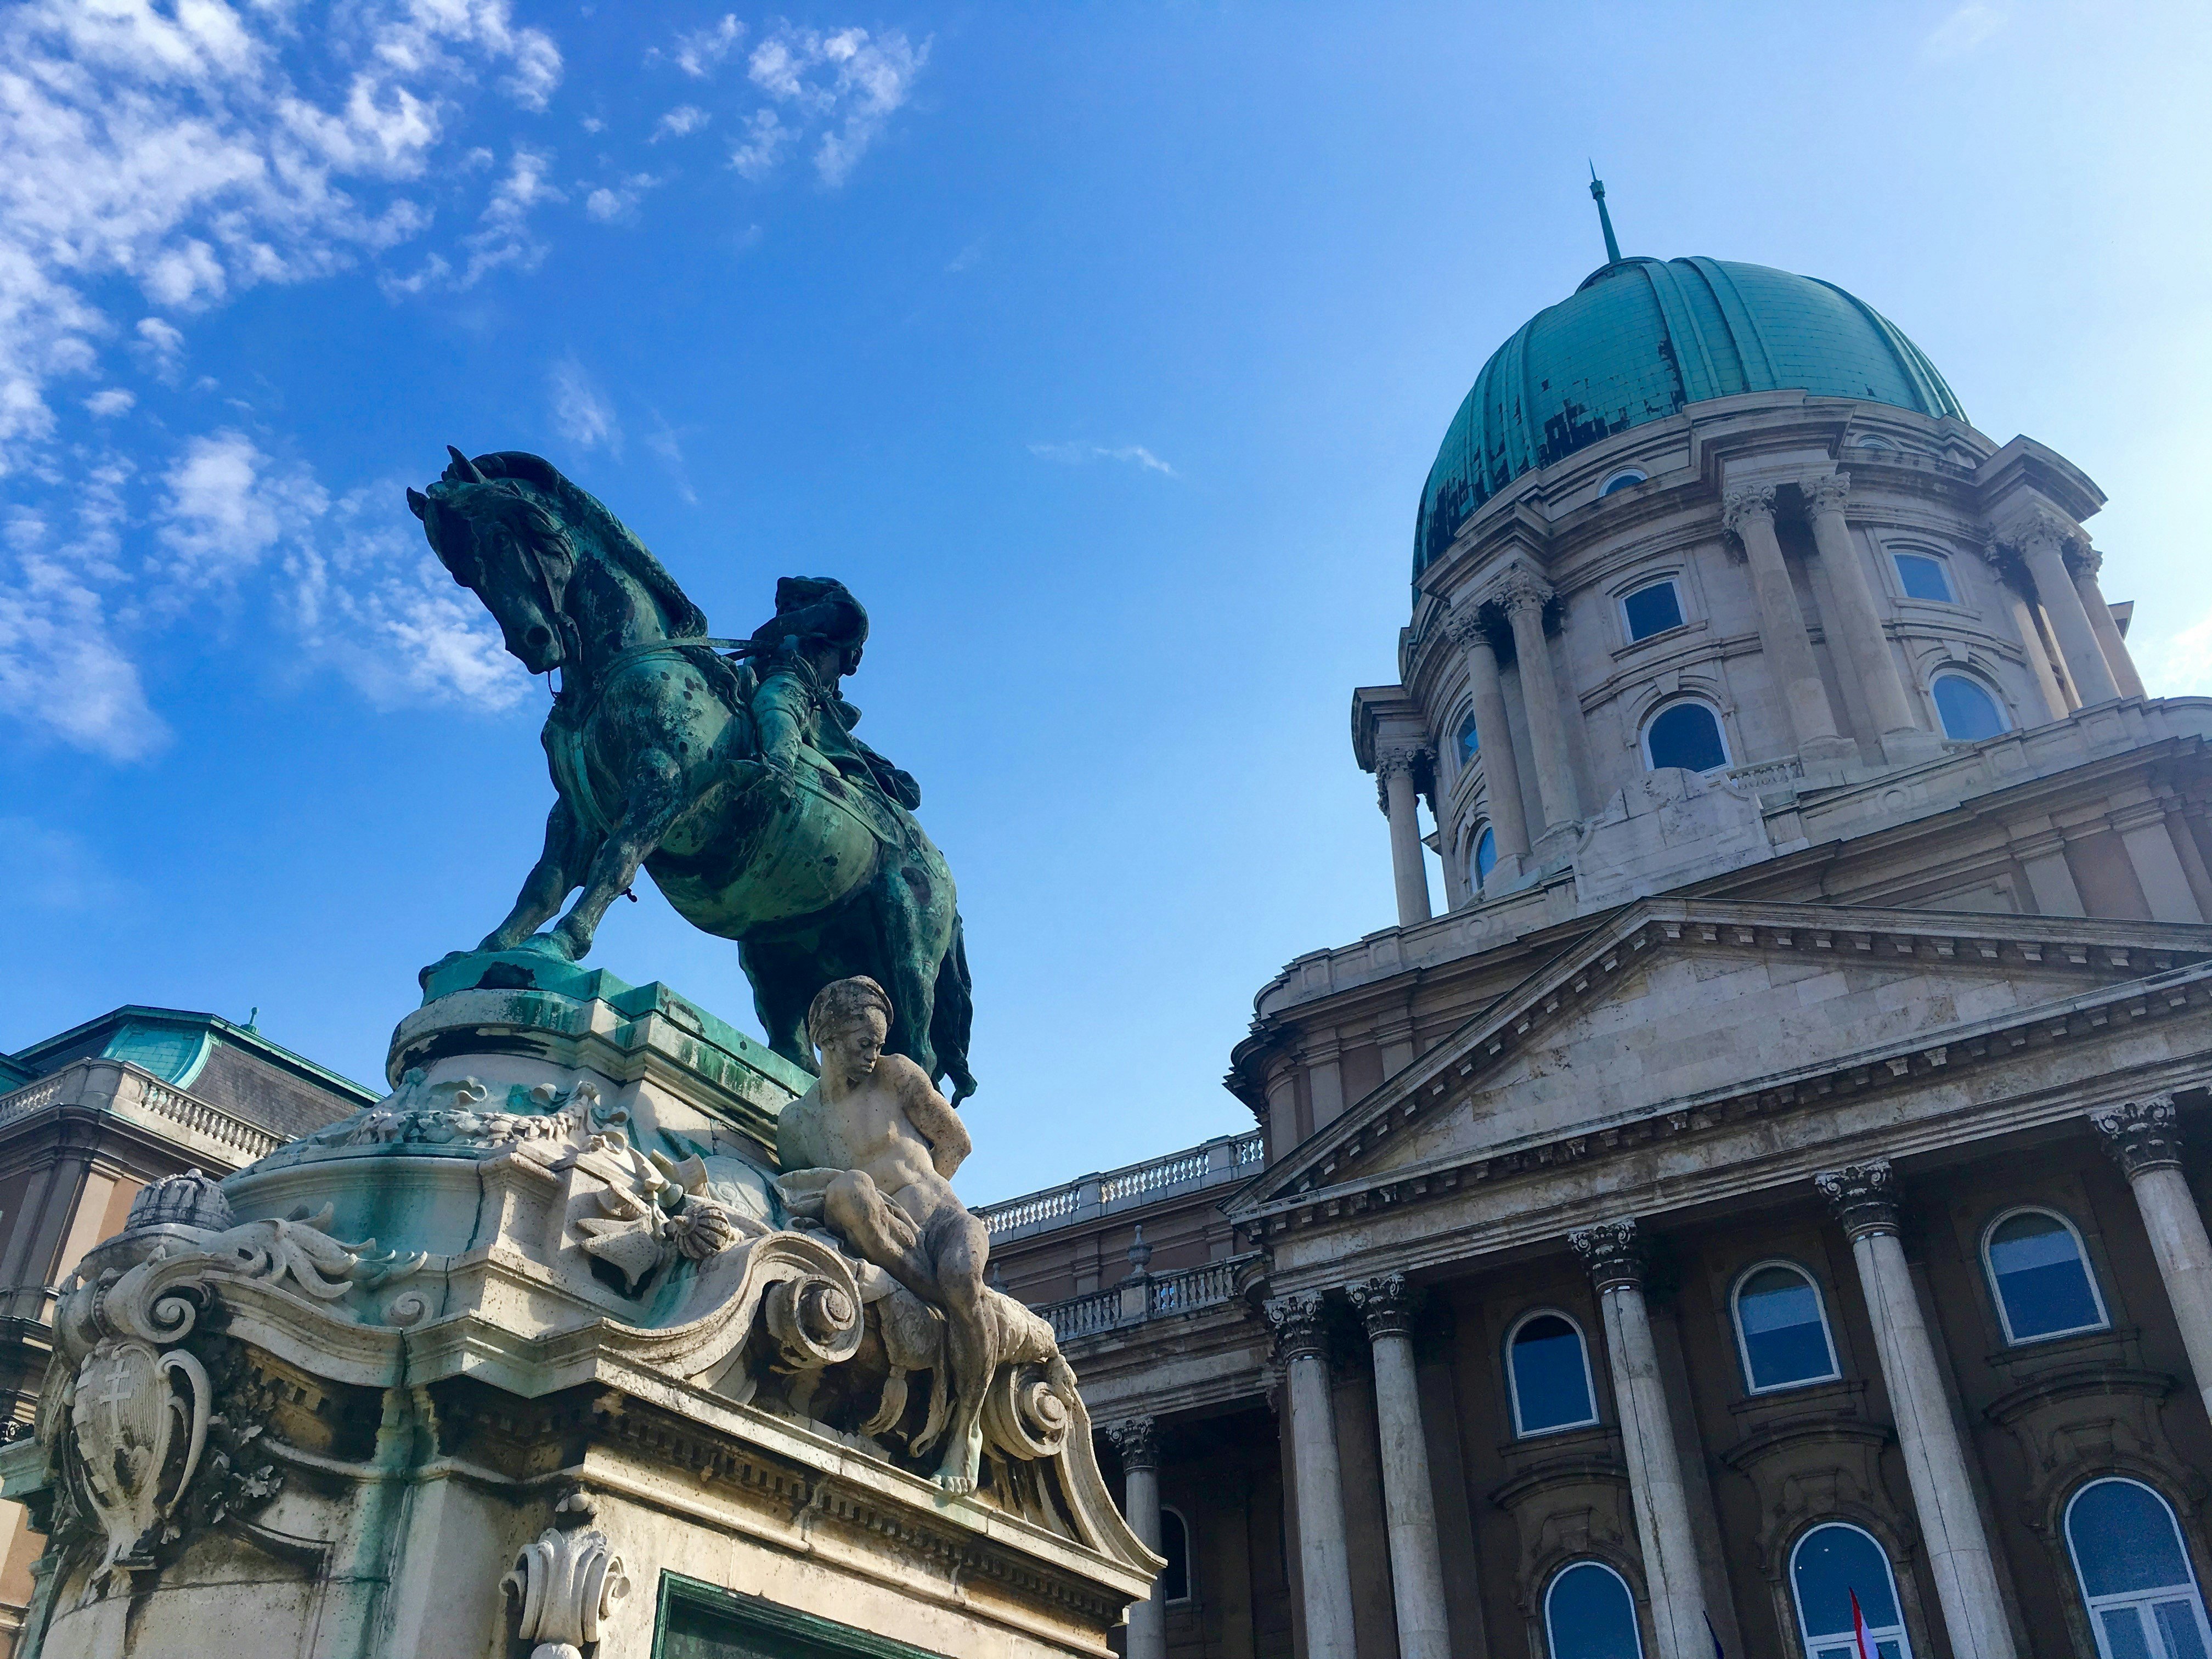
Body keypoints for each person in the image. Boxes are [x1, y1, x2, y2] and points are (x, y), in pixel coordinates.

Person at [775, 977, 993, 1492]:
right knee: (848, 1192)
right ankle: (955, 1314)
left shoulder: (897, 1076)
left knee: (963, 1275)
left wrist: (923, 1196)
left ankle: (967, 1432)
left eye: (878, 1042)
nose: (874, 1054)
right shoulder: (797, 1126)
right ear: (825, 1040)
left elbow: (956, 1143)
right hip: (883, 1233)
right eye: (862, 1044)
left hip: (941, 1220)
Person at [743, 577, 922, 811]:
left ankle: (779, 768)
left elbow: (838, 616)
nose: (790, 607)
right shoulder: (784, 634)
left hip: (798, 686)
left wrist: (775, 629)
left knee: (777, 702)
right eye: (786, 603)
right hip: (754, 681)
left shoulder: (842, 616)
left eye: (800, 598)